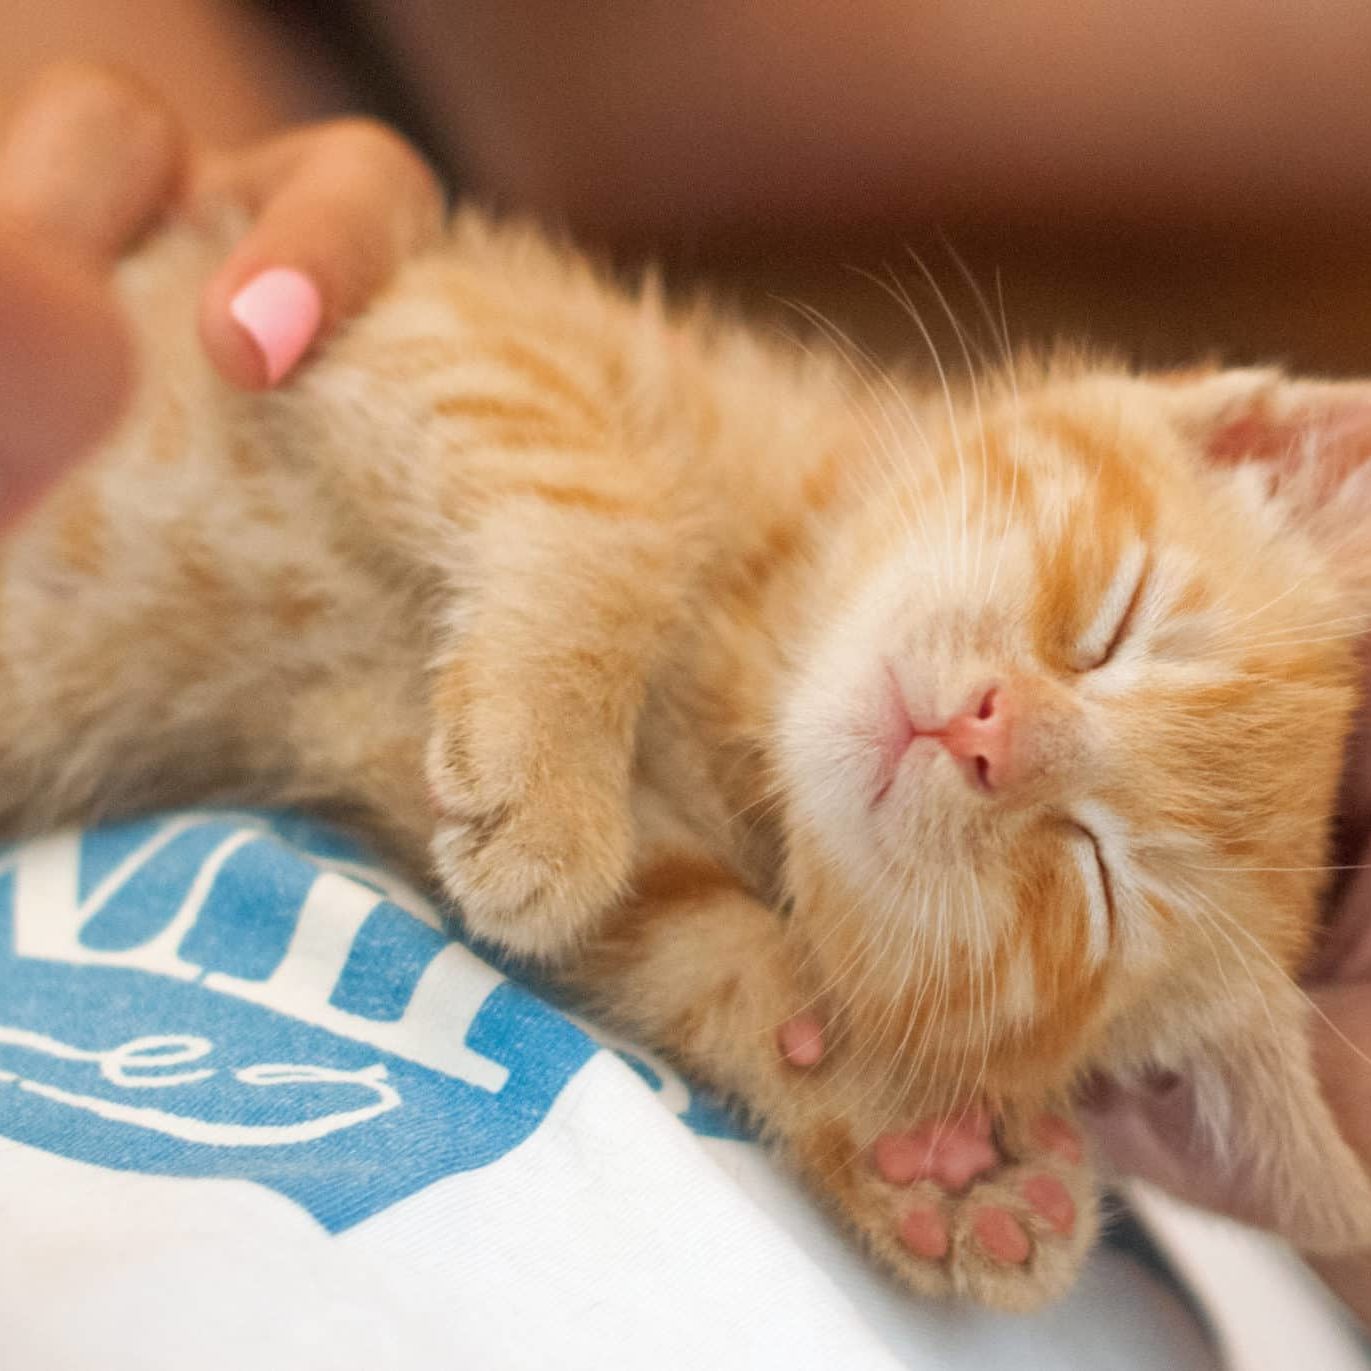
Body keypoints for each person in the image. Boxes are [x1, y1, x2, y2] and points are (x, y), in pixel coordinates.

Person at [0, 4, 1367, 1333]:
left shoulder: (815, 917)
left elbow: (404, 748)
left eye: (1094, 882)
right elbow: (384, 336)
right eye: (1117, 617)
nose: (1013, 740)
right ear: (1235, 439)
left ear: (1142, 1091)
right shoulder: (758, 444)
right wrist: (582, 562)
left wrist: (791, 1034)